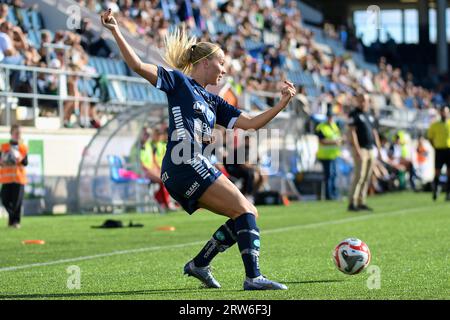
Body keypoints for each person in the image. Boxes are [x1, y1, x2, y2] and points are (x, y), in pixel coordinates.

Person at [101, 8, 296, 290]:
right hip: (185, 163)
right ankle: (253, 277)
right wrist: (115, 30)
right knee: (246, 211)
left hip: (183, 169)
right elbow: (137, 66)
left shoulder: (213, 101)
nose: (225, 69)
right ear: (205, 62)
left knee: (245, 212)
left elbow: (251, 123)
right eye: (222, 63)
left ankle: (200, 264)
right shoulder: (178, 82)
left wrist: (281, 104)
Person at [347, 93, 382, 212]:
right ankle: (352, 202)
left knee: (367, 177)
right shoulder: (354, 114)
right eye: (361, 100)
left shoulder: (370, 115)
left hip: (371, 148)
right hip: (361, 148)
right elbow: (353, 133)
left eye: (365, 101)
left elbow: (374, 132)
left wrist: (379, 148)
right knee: (359, 176)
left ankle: (362, 201)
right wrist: (357, 149)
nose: (363, 103)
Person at [0, 124, 28, 228]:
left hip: (19, 179)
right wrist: (3, 160)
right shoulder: (4, 147)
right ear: (11, 133)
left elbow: (25, 162)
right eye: (16, 133)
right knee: (5, 200)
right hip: (6, 179)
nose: (18, 135)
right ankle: (12, 218)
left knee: (17, 203)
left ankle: (15, 222)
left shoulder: (23, 147)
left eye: (19, 133)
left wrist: (19, 157)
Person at [315, 106, 342, 200]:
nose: (331, 118)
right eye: (330, 116)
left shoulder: (334, 126)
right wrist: (334, 142)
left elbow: (338, 137)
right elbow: (321, 141)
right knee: (329, 176)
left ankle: (334, 194)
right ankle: (329, 195)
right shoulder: (321, 127)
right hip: (325, 156)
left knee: (334, 175)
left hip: (334, 155)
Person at [427, 106, 450, 201]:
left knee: (449, 173)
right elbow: (430, 138)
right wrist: (435, 146)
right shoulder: (435, 125)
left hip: (449, 150)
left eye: (446, 112)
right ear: (440, 113)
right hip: (439, 150)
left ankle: (448, 193)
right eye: (443, 112)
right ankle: (436, 190)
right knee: (437, 172)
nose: (444, 114)